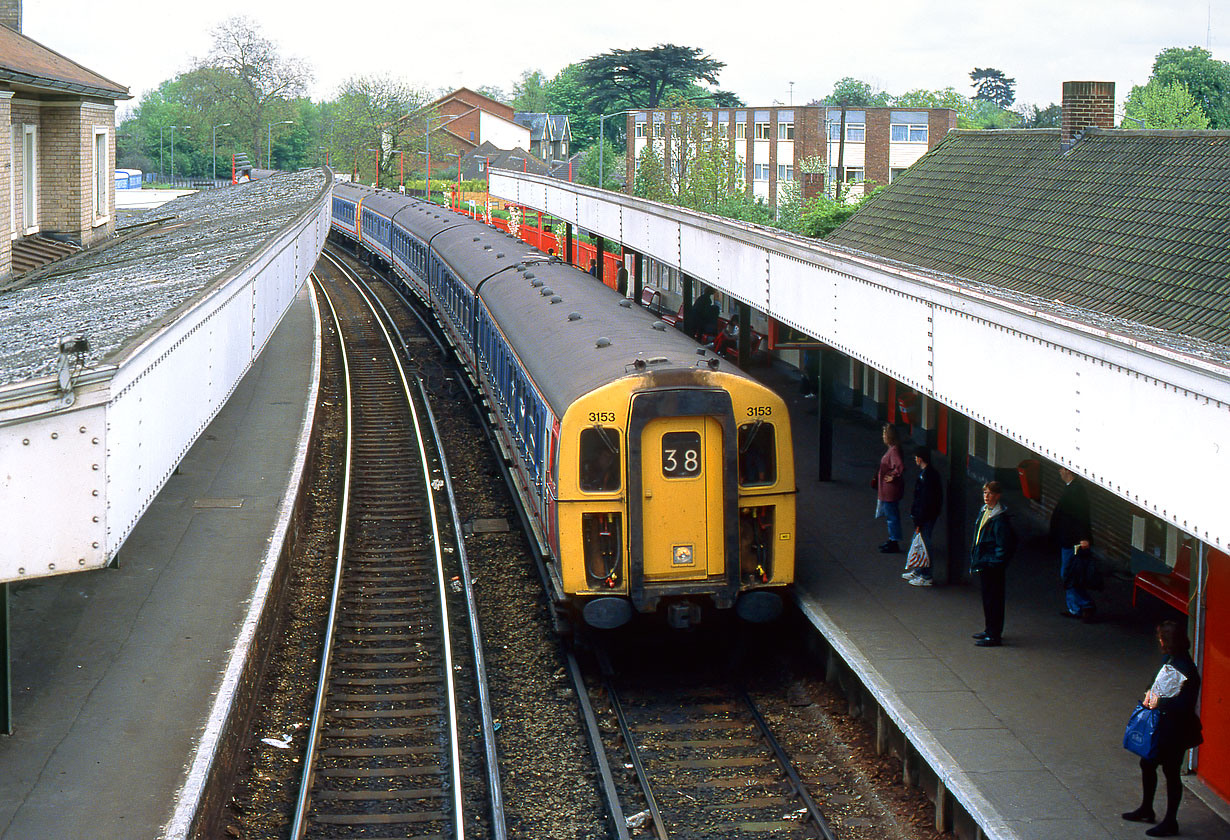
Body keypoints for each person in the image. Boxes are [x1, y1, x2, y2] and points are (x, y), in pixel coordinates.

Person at [1122, 620, 1203, 837]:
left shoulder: (1187, 670)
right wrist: (1150, 691)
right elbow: (1155, 680)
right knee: (1147, 763)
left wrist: (1160, 703)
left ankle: (1170, 821)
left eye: (1161, 638)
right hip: (1162, 727)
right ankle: (1147, 808)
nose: (1158, 641)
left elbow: (1185, 705)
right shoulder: (1171, 659)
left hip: (1176, 731)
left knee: (1171, 773)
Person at [970, 481, 1015, 647]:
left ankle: (994, 635)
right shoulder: (985, 512)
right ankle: (989, 630)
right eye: (985, 493)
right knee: (988, 599)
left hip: (991, 565)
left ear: (998, 495)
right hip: (985, 563)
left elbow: (1002, 546)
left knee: (994, 600)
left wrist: (993, 563)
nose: (986, 497)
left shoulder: (999, 520)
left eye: (990, 493)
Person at [1050, 466, 1096, 621]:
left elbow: (1080, 516)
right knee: (1071, 573)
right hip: (1070, 538)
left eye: (1061, 468)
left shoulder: (1075, 491)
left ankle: (1083, 604)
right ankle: (1075, 607)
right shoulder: (1074, 489)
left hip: (1072, 540)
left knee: (1068, 573)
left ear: (1068, 471)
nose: (1059, 471)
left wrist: (1083, 538)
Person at [903, 445, 943, 585]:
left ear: (920, 459)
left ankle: (926, 575)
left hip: (924, 516)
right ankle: (919, 570)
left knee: (924, 544)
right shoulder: (931, 474)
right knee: (919, 541)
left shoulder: (925, 476)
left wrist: (918, 520)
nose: (915, 459)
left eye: (916, 457)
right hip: (928, 515)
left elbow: (923, 500)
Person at [874, 423, 905, 553]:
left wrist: (893, 476)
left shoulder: (894, 451)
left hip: (890, 490)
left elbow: (900, 466)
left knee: (891, 516)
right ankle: (892, 539)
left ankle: (894, 541)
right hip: (888, 489)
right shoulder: (893, 449)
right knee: (891, 515)